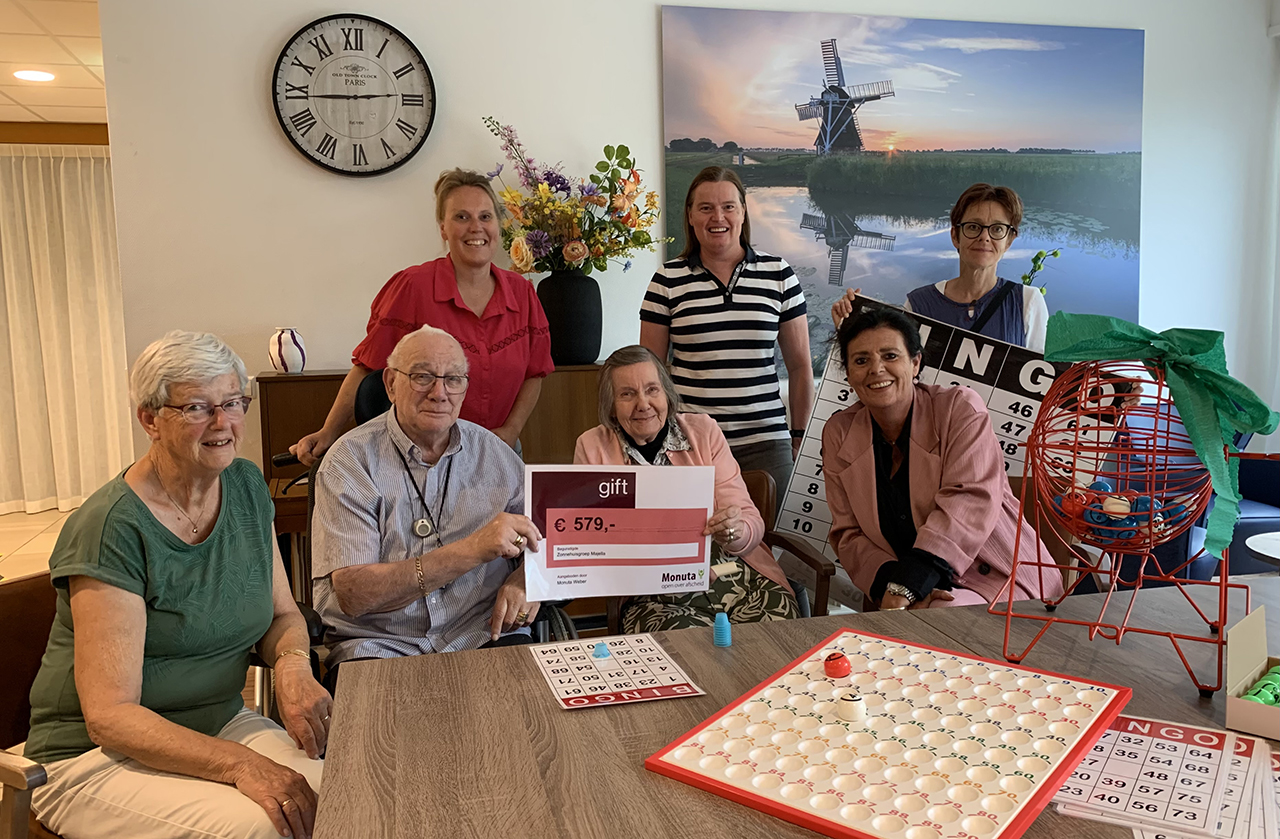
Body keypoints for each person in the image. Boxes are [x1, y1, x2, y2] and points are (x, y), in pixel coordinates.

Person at [26, 331, 330, 839]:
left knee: (346, 798)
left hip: (219, 722)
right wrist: (239, 765)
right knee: (266, 826)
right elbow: (111, 717)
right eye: (196, 407)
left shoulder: (246, 486)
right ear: (150, 418)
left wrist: (294, 667)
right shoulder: (112, 528)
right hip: (93, 759)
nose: (223, 424)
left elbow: (282, 616)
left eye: (233, 402)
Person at [311, 325, 541, 688]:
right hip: (379, 644)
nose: (440, 393)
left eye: (453, 379)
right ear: (390, 384)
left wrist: (527, 579)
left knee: (525, 738)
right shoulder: (349, 461)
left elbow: (550, 540)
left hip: (483, 634)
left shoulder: (496, 454)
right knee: (383, 743)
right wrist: (472, 549)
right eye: (422, 377)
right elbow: (355, 595)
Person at [292, 168, 554, 464]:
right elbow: (367, 368)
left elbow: (535, 372)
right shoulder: (412, 287)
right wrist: (329, 431)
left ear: (499, 225)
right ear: (443, 228)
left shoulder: (523, 293)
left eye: (485, 216)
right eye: (461, 217)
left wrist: (510, 430)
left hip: (498, 454)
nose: (475, 227)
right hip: (423, 458)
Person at [822, 308, 1064, 611]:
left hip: (1001, 577)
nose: (876, 368)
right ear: (848, 375)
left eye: (890, 356)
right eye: (861, 360)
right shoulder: (838, 432)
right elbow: (848, 533)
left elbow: (970, 498)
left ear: (915, 363)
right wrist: (891, 585)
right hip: (908, 591)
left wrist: (909, 584)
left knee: (938, 615)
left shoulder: (958, 407)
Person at [574, 345, 799, 632]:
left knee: (777, 635)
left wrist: (735, 531)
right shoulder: (593, 447)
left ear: (667, 394)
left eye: (652, 390)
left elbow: (747, 517)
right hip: (652, 593)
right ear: (611, 407)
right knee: (688, 650)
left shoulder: (704, 431)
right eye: (627, 394)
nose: (643, 404)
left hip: (731, 571)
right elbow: (591, 539)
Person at [640, 166, 813, 497]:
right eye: (705, 207)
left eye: (728, 206)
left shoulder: (779, 274)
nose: (717, 217)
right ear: (690, 216)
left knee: (766, 546)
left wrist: (799, 435)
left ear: (743, 212)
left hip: (766, 442)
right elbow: (652, 374)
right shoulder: (667, 280)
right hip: (690, 443)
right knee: (695, 546)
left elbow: (801, 366)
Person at [832, 183, 1049, 352]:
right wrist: (848, 326)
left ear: (1009, 241)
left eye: (997, 229)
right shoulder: (918, 304)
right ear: (955, 236)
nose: (984, 237)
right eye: (973, 227)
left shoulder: (1027, 303)